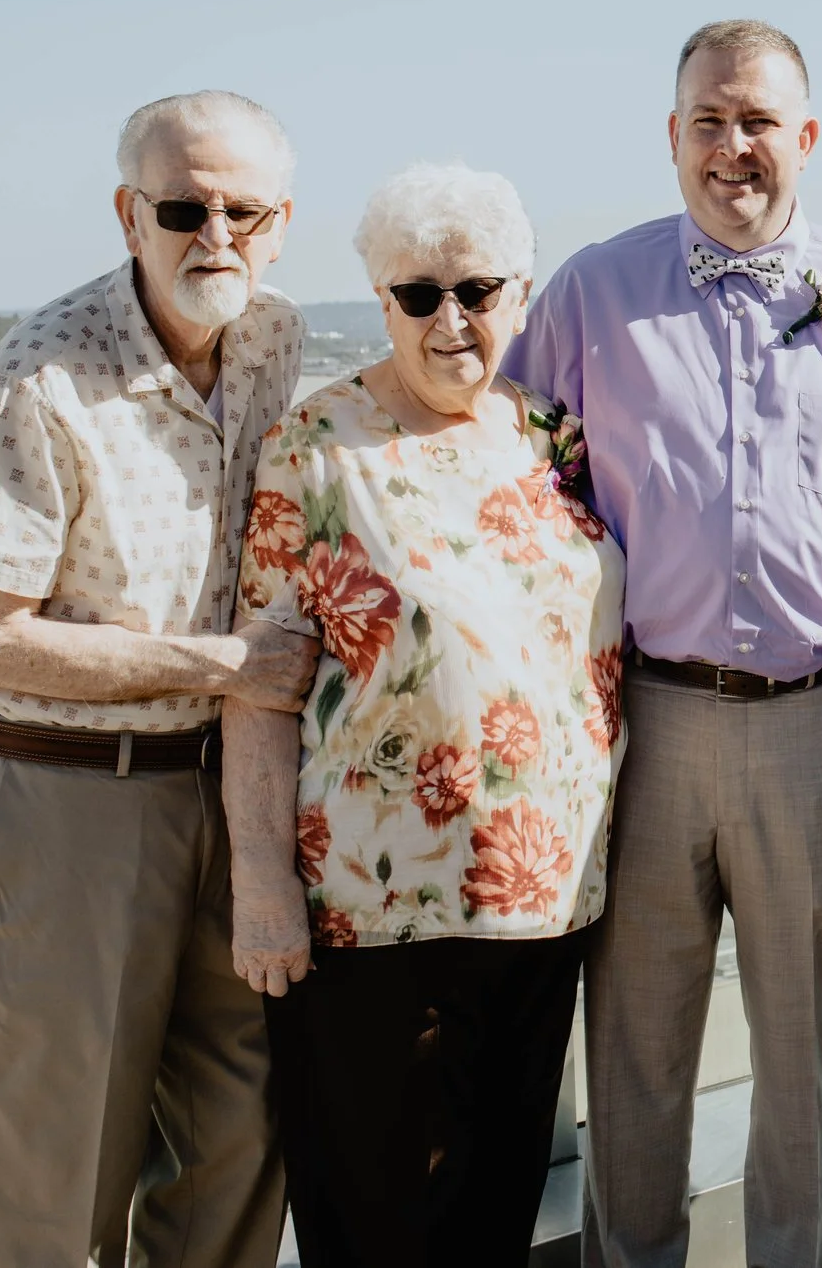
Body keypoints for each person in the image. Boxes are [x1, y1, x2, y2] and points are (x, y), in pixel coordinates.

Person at [504, 20, 822, 1268]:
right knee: (636, 1056)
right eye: (709, 121)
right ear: (672, 139)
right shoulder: (587, 294)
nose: (734, 147)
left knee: (803, 1066)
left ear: (806, 139)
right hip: (643, 727)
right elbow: (506, 488)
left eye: (759, 121)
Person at [0, 91, 313, 1266]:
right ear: (127, 212)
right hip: (71, 812)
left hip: (232, 805)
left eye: (243, 211)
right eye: (184, 207)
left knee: (236, 1164)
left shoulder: (274, 342)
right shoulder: (39, 377)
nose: (216, 236)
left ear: (280, 221)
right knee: (53, 1190)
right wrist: (225, 665)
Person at [220, 164, 625, 1264]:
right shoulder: (318, 445)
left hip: (543, 902)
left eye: (478, 290)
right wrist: (261, 885)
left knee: (494, 1212)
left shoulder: (554, 437)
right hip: (369, 913)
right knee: (375, 1219)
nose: (452, 319)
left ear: (521, 294)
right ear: (380, 298)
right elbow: (258, 687)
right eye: (418, 294)